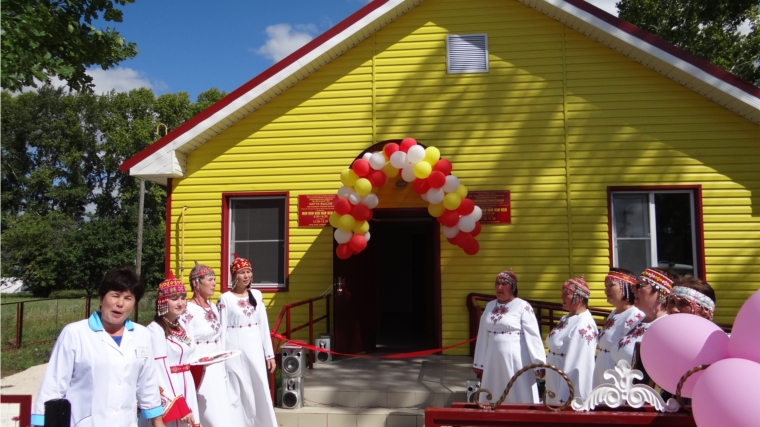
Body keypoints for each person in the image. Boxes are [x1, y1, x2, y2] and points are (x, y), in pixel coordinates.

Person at [31, 267, 165, 427]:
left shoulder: (141, 335)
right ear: (101, 299)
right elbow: (53, 385)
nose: (120, 304)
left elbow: (147, 383)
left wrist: (158, 422)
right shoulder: (75, 333)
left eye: (128, 298)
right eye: (115, 295)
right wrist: (41, 422)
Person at [218, 254, 277, 427]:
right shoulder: (225, 299)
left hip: (254, 346)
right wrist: (221, 357)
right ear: (234, 275)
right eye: (242, 272)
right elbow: (221, 329)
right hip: (233, 348)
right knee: (236, 389)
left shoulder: (257, 296)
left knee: (259, 384)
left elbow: (263, 326)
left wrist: (269, 354)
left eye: (249, 272)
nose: (246, 276)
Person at [472, 270, 546, 404]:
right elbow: (483, 335)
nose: (499, 287)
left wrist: (538, 362)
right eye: (497, 284)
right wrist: (479, 362)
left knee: (517, 390)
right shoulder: (489, 306)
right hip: (493, 360)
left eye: (504, 284)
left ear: (512, 287)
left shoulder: (523, 306)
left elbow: (533, 335)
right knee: (494, 389)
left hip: (516, 360)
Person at [140, 272, 199, 427]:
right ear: (162, 301)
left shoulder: (183, 325)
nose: (180, 303)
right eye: (174, 299)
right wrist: (179, 405)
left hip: (187, 384)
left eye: (183, 298)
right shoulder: (155, 330)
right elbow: (160, 368)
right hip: (170, 388)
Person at [180, 262, 234, 427]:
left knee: (222, 407)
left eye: (215, 279)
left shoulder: (212, 306)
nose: (214, 283)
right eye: (210, 279)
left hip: (216, 362)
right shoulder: (188, 309)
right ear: (196, 283)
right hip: (200, 364)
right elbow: (186, 340)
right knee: (208, 409)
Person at [612, 267, 678, 373]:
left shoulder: (666, 327)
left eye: (639, 286)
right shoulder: (638, 322)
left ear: (662, 292)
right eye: (634, 286)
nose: (633, 290)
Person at [545, 276, 597, 405]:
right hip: (555, 376)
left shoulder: (584, 324)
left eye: (566, 294)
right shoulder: (566, 318)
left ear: (578, 298)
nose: (561, 297)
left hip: (566, 380)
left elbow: (579, 364)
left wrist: (567, 394)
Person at [592, 268, 645, 387]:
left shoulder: (635, 315)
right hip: (602, 373)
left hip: (616, 377)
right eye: (606, 286)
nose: (607, 290)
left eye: (611, 285)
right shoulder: (614, 313)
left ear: (626, 286)